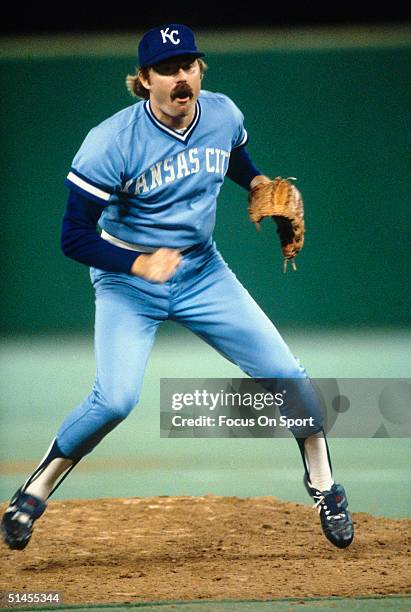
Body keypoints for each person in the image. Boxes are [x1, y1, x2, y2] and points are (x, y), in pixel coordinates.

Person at [1, 24, 353, 551]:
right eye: (167, 69)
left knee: (285, 372)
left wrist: (256, 182)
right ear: (144, 80)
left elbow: (234, 158)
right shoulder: (110, 143)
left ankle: (324, 483)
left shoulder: (223, 114)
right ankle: (39, 486)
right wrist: (135, 261)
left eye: (188, 64)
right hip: (128, 282)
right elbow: (73, 237)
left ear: (200, 70)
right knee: (115, 400)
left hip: (203, 272)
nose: (180, 76)